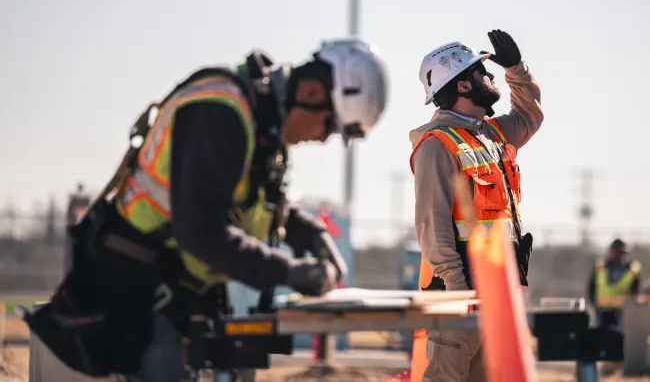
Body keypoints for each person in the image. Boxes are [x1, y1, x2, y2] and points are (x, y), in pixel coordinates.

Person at [24, 39, 390, 382]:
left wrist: (309, 232)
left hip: (172, 286)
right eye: (330, 125)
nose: (323, 138)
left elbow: (250, 201)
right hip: (136, 289)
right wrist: (290, 272)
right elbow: (201, 231)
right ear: (311, 93)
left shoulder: (259, 121)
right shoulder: (221, 113)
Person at [409, 29, 544, 382]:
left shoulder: (492, 135)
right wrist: (457, 294)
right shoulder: (437, 146)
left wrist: (517, 69)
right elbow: (431, 226)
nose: (490, 76)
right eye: (481, 72)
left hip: (498, 296)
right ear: (463, 86)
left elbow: (531, 117)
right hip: (461, 299)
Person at [587, 238, 643, 328]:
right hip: (602, 312)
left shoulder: (632, 270)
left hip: (622, 313)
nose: (618, 255)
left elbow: (635, 291)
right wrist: (594, 303)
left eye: (621, 253)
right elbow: (591, 287)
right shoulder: (600, 267)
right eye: (616, 252)